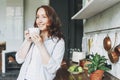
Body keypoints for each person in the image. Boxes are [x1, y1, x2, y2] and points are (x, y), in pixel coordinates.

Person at [15, 5, 65, 80]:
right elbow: (19, 59)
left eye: (44, 17)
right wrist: (28, 41)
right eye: (37, 17)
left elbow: (53, 69)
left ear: (51, 20)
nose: (39, 20)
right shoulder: (33, 36)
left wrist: (40, 45)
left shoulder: (58, 42)